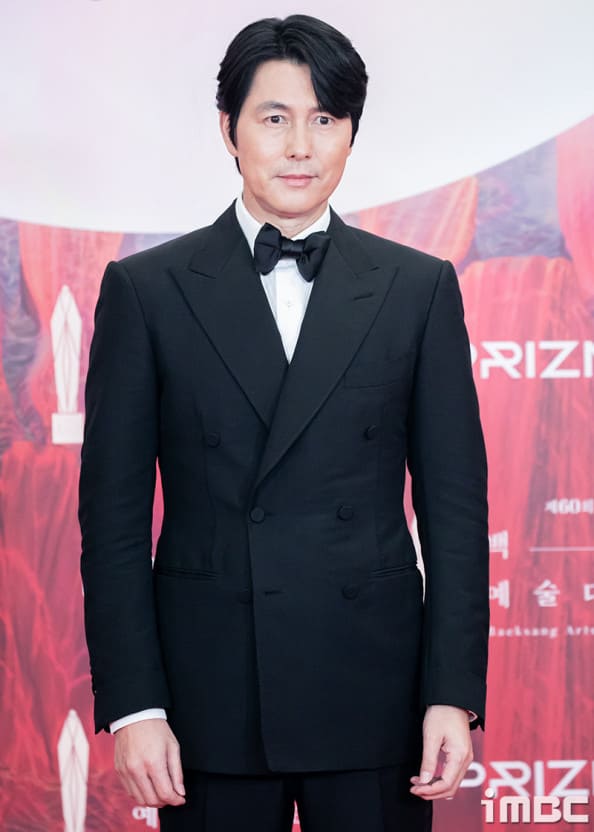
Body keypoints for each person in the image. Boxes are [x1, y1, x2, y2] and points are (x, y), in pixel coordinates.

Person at [78, 13, 489, 832]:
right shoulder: (149, 291)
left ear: (351, 133)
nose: (301, 146)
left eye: (324, 119)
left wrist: (452, 693)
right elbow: (113, 524)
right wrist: (135, 706)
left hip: (374, 694)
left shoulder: (417, 288)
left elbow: (455, 512)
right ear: (228, 129)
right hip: (208, 699)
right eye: (274, 118)